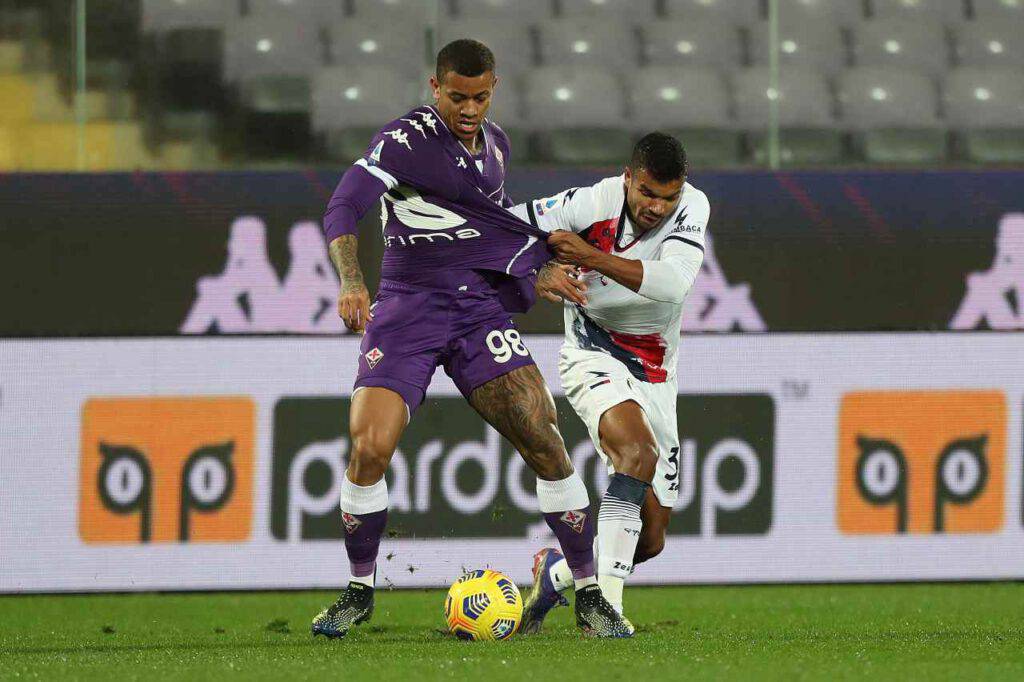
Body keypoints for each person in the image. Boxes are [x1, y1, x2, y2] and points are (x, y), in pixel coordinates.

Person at [310, 39, 632, 639]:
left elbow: (486, 231)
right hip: (407, 306)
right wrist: (353, 280)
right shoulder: (405, 142)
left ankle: (589, 593)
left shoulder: (497, 148)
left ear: (494, 89)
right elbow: (343, 206)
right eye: (456, 96)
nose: (468, 108)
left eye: (479, 97)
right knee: (369, 447)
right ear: (435, 89)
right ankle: (358, 590)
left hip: (475, 310)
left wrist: (534, 268)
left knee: (542, 433)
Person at [509, 133, 710, 630]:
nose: (657, 206)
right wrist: (537, 271)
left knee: (651, 539)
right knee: (637, 453)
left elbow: (672, 284)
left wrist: (591, 257)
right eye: (647, 193)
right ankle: (606, 610)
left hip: (657, 373)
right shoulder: (590, 203)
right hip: (592, 353)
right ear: (628, 179)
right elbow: (507, 226)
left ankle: (557, 574)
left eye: (668, 196)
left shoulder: (693, 206)